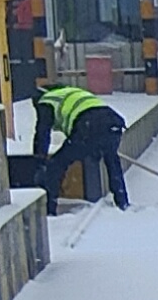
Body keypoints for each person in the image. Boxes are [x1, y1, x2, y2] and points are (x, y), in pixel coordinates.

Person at [41, 81, 129, 210]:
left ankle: (50, 207)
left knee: (56, 164)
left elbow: (42, 132)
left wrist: (39, 158)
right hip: (113, 121)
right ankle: (122, 202)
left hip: (89, 125)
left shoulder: (47, 100)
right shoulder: (73, 93)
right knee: (112, 161)